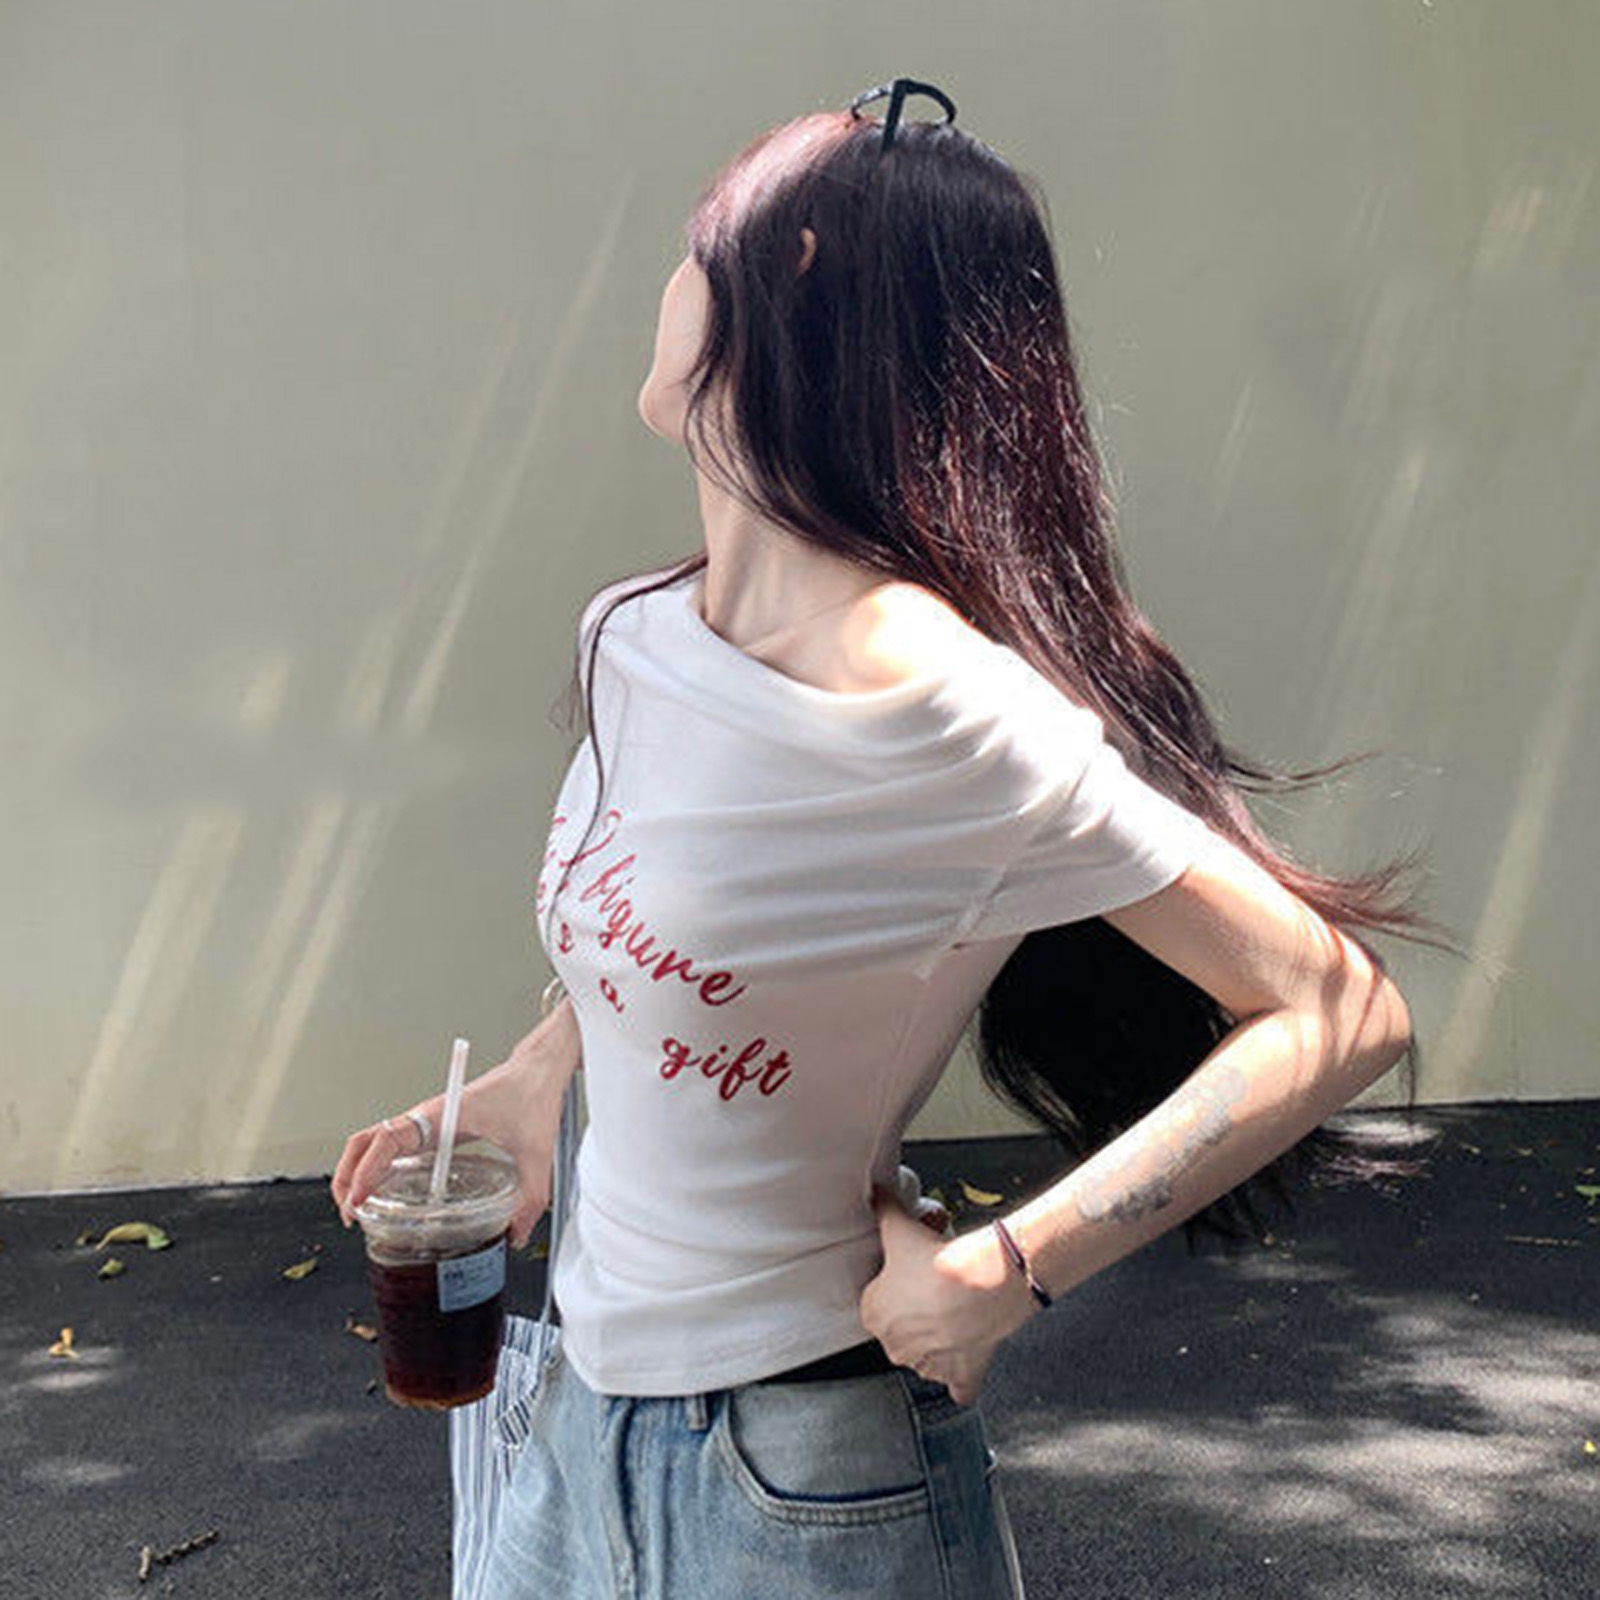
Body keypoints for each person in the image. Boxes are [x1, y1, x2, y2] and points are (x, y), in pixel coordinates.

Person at [332, 78, 1444, 1600]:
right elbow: (676, 924)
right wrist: (535, 1085)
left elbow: (1340, 1008)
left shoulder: (942, 708)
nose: (664, 286)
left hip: (799, 1481)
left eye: (692, 251)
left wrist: (1006, 1270)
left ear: (786, 279)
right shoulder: (634, 637)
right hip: (576, 1431)